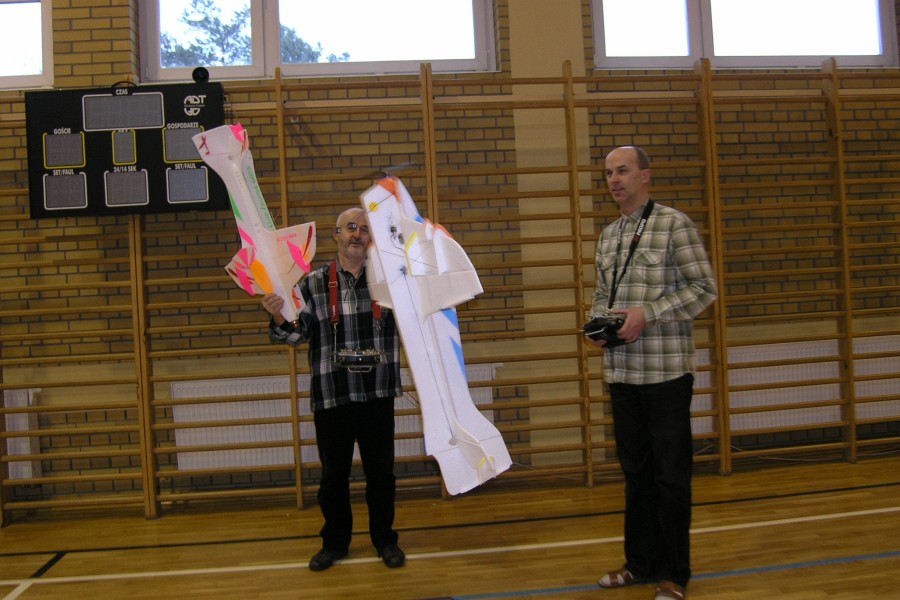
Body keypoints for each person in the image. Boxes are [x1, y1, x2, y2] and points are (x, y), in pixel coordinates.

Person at [587, 146, 717, 600]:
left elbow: (704, 289)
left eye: (622, 170)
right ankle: (639, 564)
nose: (614, 179)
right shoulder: (609, 235)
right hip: (622, 374)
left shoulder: (674, 225)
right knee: (636, 475)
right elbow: (602, 294)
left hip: (665, 375)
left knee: (670, 478)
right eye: (608, 173)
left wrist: (649, 314)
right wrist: (598, 325)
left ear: (645, 175)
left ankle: (674, 573)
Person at [262, 207, 406, 572]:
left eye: (365, 229)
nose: (357, 234)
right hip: (333, 396)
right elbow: (295, 335)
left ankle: (385, 541)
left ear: (372, 238)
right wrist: (278, 315)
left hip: (377, 394)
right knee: (333, 478)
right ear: (336, 235)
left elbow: (420, 321)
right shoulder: (312, 283)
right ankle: (335, 543)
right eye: (350, 227)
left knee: (382, 476)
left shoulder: (392, 280)